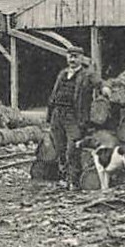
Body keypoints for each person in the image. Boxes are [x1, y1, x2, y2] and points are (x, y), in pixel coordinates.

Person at [47, 51, 94, 188]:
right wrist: (50, 114)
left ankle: (74, 181)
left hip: (73, 115)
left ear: (81, 58)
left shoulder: (87, 74)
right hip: (57, 114)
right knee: (59, 147)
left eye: (76, 57)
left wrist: (105, 87)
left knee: (73, 148)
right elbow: (54, 93)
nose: (72, 59)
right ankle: (64, 178)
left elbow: (98, 82)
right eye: (70, 56)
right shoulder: (62, 73)